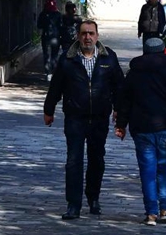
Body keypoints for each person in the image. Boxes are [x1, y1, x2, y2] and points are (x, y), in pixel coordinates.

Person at [43, 20, 124, 220]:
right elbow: (56, 87)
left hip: (99, 118)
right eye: (84, 34)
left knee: (97, 159)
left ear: (97, 36)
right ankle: (73, 204)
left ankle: (93, 197)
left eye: (91, 33)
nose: (87, 37)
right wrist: (49, 109)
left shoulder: (108, 58)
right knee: (73, 161)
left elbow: (119, 87)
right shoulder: (68, 59)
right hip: (75, 117)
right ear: (78, 36)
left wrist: (119, 111)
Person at [114, 38, 166, 226]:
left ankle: (151, 213)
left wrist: (121, 124)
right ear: (163, 51)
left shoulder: (135, 73)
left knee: (147, 170)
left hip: (141, 128)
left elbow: (124, 101)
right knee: (164, 165)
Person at [37, 0, 62, 75]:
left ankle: (48, 73)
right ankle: (53, 70)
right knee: (54, 55)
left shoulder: (42, 14)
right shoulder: (58, 14)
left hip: (46, 36)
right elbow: (61, 26)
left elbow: (39, 26)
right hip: (55, 37)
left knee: (46, 55)